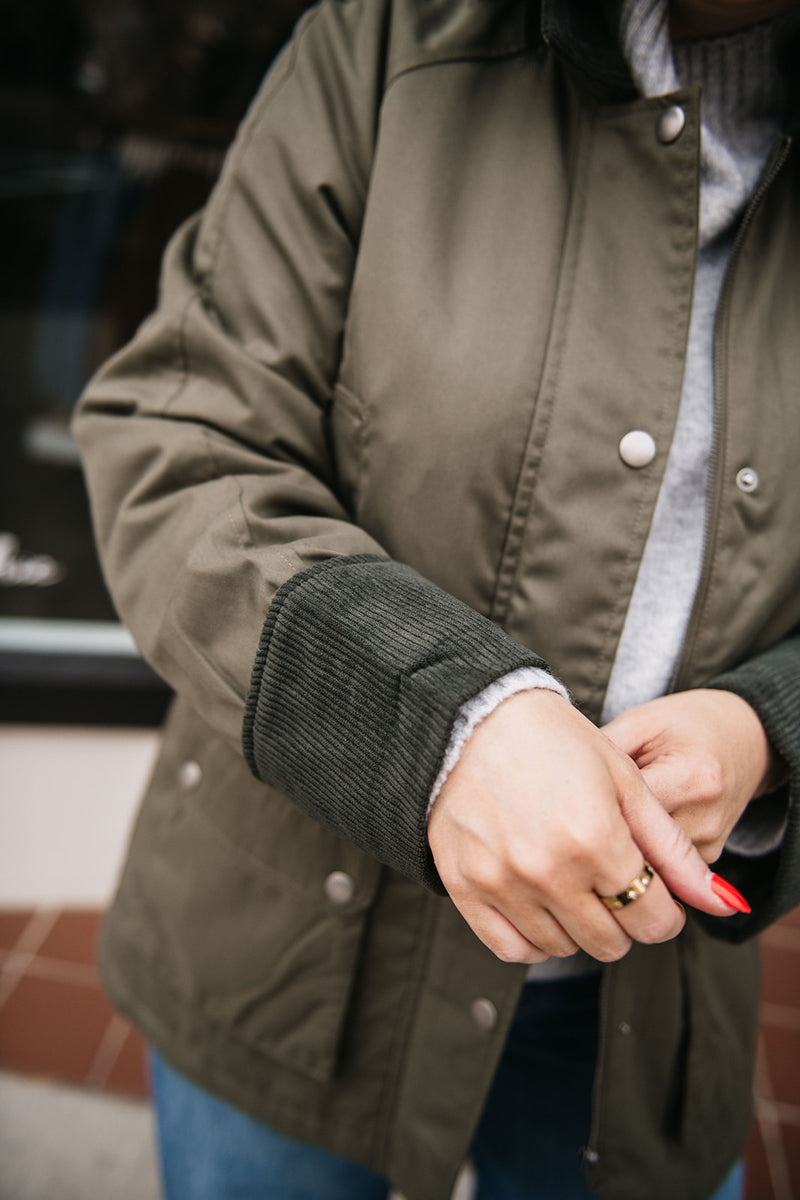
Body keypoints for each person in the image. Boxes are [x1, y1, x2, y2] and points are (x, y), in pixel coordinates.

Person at [73, 0, 800, 1197]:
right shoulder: (384, 39)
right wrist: (445, 725)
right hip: (284, 961)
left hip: (643, 1008)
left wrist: (766, 728)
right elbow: (178, 436)